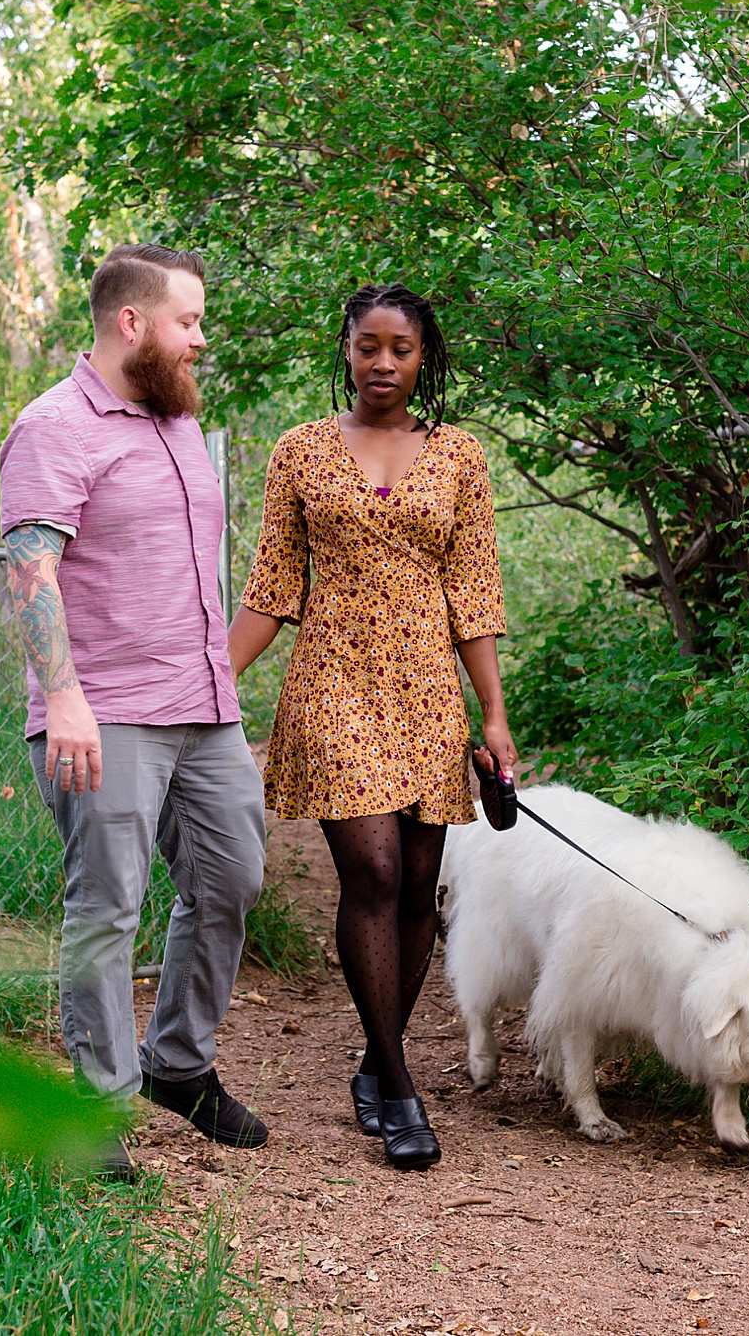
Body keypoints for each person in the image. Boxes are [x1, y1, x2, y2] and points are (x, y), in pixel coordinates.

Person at [228, 283, 517, 1172]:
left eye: (401, 348)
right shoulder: (300, 452)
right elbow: (273, 587)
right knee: (375, 871)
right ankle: (398, 1086)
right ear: (345, 350)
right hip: (334, 685)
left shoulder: (460, 456)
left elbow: (473, 595)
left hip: (429, 690)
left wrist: (495, 715)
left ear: (424, 357)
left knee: (420, 883)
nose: (383, 363)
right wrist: (202, 683)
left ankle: (373, 1062)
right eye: (368, 347)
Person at [0, 243, 269, 1181]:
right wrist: (63, 696)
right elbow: (30, 571)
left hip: (205, 706)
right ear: (132, 322)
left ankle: (178, 1065)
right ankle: (96, 1107)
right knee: (108, 909)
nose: (200, 338)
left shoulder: (178, 421)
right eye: (188, 321)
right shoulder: (54, 427)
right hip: (103, 712)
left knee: (231, 883)